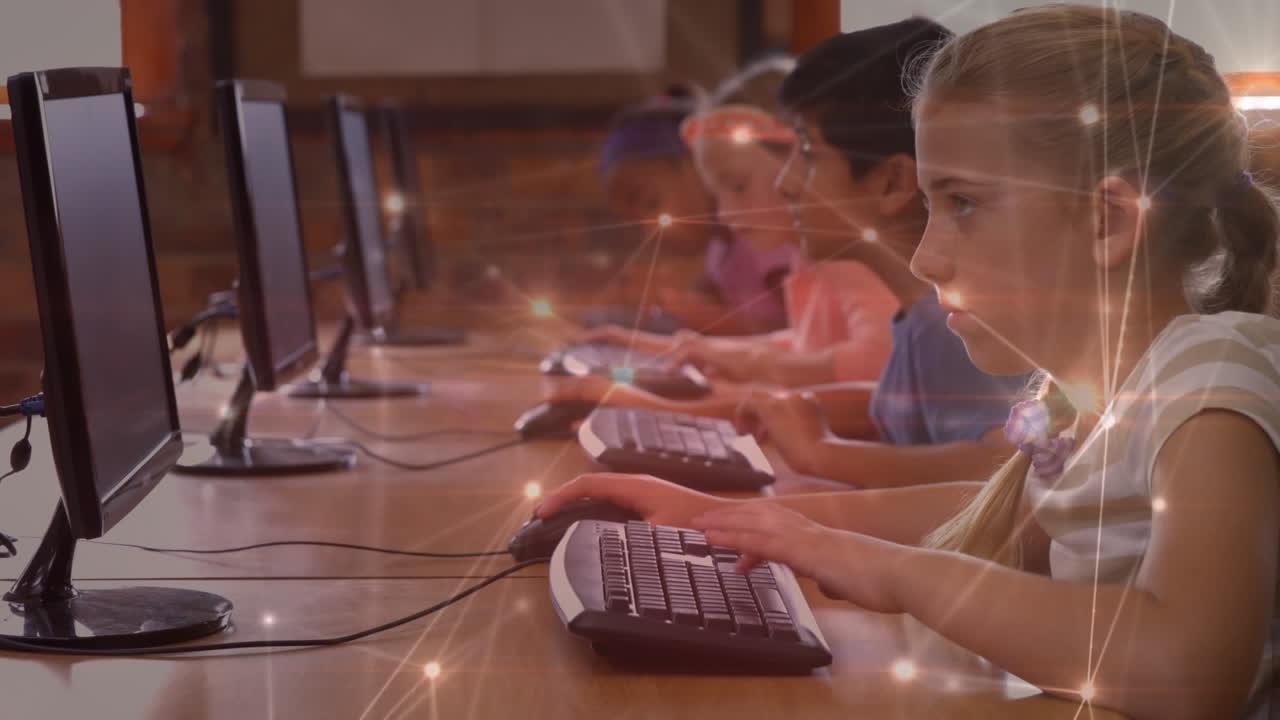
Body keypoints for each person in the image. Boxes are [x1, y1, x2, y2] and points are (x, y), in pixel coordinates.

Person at [544, 7, 1280, 719]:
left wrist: (895, 574)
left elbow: (1187, 673)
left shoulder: (1208, 387)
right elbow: (989, 514)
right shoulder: (1085, 395)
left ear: (1108, 219)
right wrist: (745, 522)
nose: (926, 255)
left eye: (963, 203)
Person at [558, 19, 1028, 489]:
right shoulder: (919, 313)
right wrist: (772, 407)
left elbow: (1002, 468)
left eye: (807, 152)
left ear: (891, 183)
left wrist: (822, 457)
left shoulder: (949, 317)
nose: (786, 183)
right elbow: (889, 402)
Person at [588, 90, 791, 336]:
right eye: (636, 222)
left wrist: (681, 309)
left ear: (697, 164)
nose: (651, 230)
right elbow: (708, 302)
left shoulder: (765, 238)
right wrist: (660, 295)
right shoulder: (720, 250)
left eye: (652, 203)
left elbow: (798, 332)